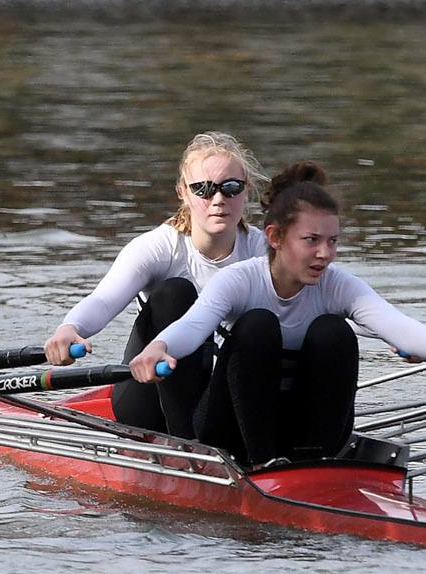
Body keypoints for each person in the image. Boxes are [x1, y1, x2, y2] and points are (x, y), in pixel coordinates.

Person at [129, 161, 426, 467]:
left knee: (333, 331)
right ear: (274, 238)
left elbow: (394, 323)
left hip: (306, 434)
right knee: (258, 325)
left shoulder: (336, 285)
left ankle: (315, 460)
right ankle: (262, 464)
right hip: (229, 431)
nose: (325, 254)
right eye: (311, 241)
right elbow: (196, 324)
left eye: (332, 241)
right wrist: (160, 347)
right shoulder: (239, 281)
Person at [42, 132, 269, 435]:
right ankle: (186, 444)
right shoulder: (158, 248)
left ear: (246, 190)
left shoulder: (264, 251)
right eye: (203, 189)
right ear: (183, 193)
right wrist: (70, 329)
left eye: (230, 187)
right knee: (176, 292)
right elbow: (104, 300)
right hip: (147, 400)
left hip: (218, 399)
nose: (218, 200)